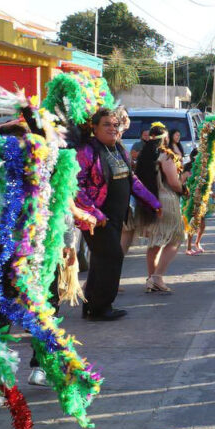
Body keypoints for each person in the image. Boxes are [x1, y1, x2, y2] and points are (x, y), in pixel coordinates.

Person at [75, 108, 161, 321]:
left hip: (116, 216)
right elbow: (75, 186)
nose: (113, 128)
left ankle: (92, 306)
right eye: (106, 124)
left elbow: (132, 180)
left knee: (101, 260)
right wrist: (95, 214)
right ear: (94, 128)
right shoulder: (87, 151)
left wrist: (153, 202)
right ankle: (102, 307)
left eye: (115, 125)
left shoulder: (119, 149)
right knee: (112, 258)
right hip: (96, 219)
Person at [133, 124, 186, 294]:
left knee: (155, 241)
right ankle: (158, 277)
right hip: (167, 200)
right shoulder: (166, 156)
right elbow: (173, 183)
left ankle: (151, 278)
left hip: (150, 201)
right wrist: (184, 189)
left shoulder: (143, 156)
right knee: (176, 238)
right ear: (165, 139)